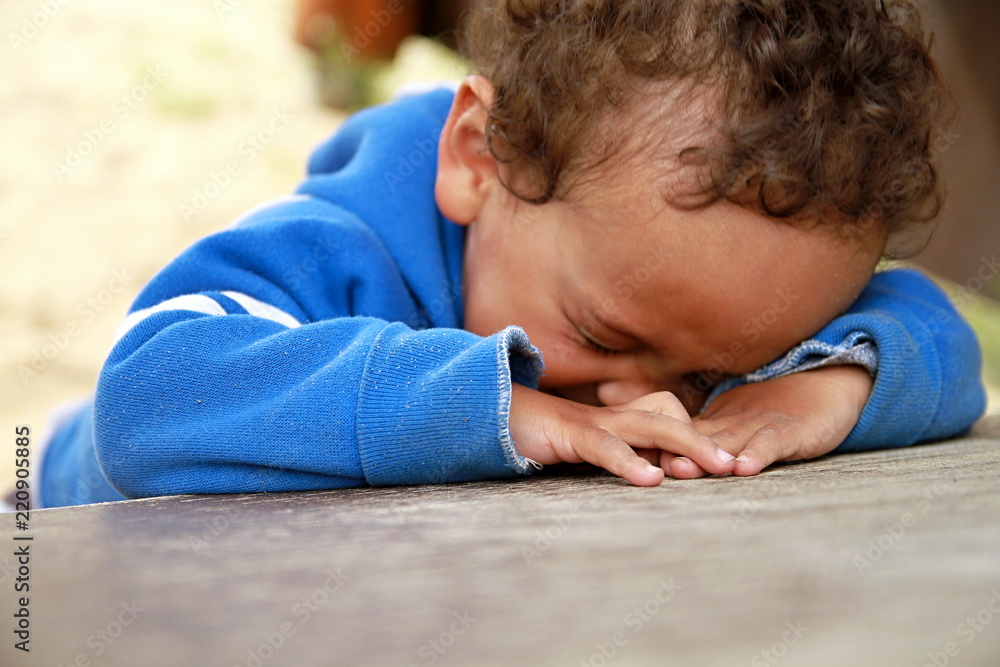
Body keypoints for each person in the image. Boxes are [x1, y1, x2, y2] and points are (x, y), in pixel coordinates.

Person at [36, 0, 986, 507]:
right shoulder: (346, 247)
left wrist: (823, 387)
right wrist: (500, 406)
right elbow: (149, 395)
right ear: (479, 158)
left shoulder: (673, 267)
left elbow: (939, 335)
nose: (640, 399)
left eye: (708, 371)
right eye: (603, 334)